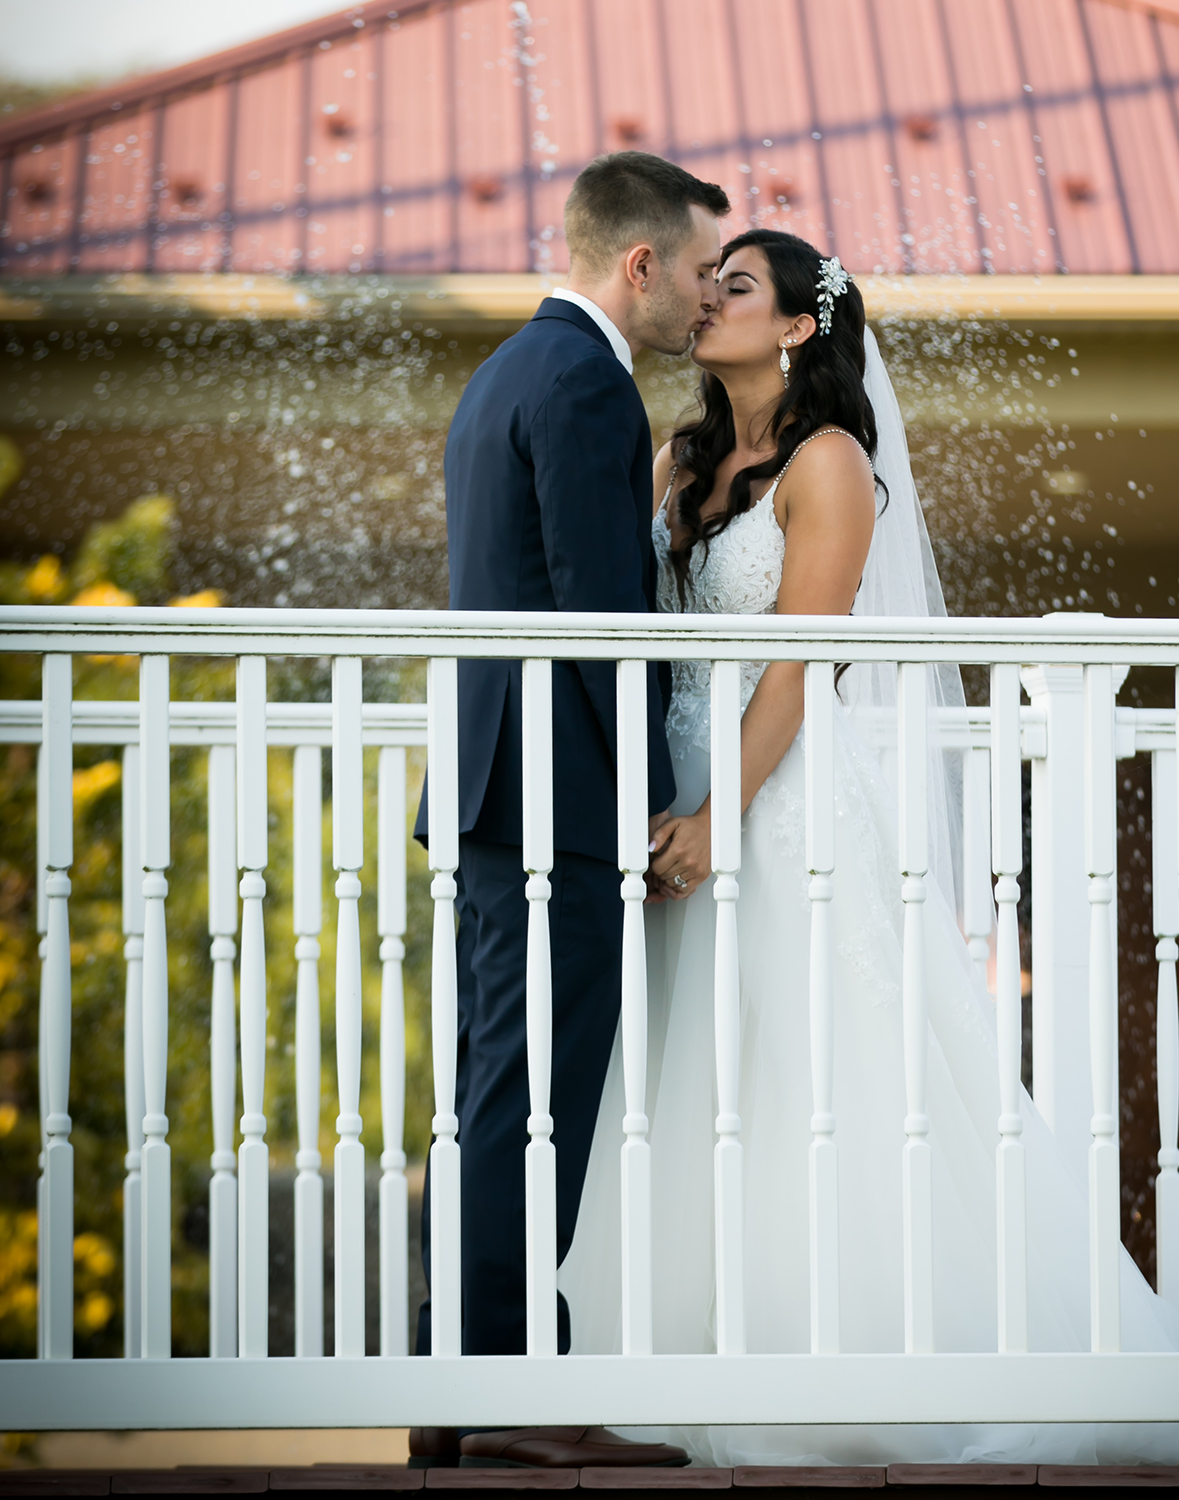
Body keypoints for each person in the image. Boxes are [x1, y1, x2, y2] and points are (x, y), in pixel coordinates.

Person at [554, 230, 1179, 1463]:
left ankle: (856, 1364)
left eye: (735, 287)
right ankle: (678, 1367)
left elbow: (799, 669)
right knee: (686, 1073)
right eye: (708, 280)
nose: (706, 299)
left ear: (796, 327)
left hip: (777, 795)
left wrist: (719, 813)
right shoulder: (678, 457)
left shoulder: (831, 461)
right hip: (677, 782)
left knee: (808, 1063)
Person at [409, 152, 729, 1472]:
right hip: (557, 804)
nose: (710, 300)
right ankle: (512, 1397)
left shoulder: (503, 376)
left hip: (499, 787)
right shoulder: (591, 385)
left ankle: (459, 1389)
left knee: (498, 1092)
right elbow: (607, 623)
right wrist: (655, 809)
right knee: (534, 1097)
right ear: (639, 264)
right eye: (704, 272)